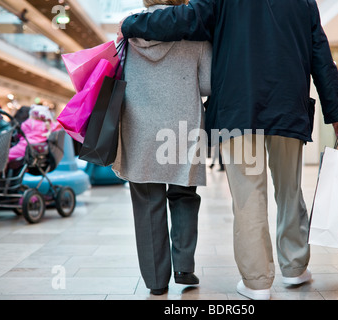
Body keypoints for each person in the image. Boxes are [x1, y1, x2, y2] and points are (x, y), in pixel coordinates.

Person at [119, 0, 338, 300]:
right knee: (290, 190)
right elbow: (320, 53)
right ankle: (294, 268)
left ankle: (257, 282)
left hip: (238, 110)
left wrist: (131, 25)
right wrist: (336, 111)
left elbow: (185, 19)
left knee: (248, 195)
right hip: (288, 106)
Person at [111, 0, 212, 296]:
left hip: (138, 126)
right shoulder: (196, 30)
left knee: (146, 200)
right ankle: (184, 266)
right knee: (184, 193)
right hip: (182, 126)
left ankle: (156, 281)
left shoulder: (129, 27)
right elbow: (206, 85)